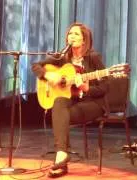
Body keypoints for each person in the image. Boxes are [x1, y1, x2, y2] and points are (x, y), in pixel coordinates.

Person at [32, 22, 108, 178]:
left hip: (92, 103)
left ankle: (61, 160)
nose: (71, 37)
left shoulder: (93, 58)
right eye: (70, 34)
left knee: (61, 116)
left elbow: (105, 87)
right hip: (72, 102)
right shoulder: (62, 57)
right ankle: (62, 154)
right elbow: (36, 66)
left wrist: (87, 89)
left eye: (76, 34)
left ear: (84, 40)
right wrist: (48, 75)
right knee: (59, 102)